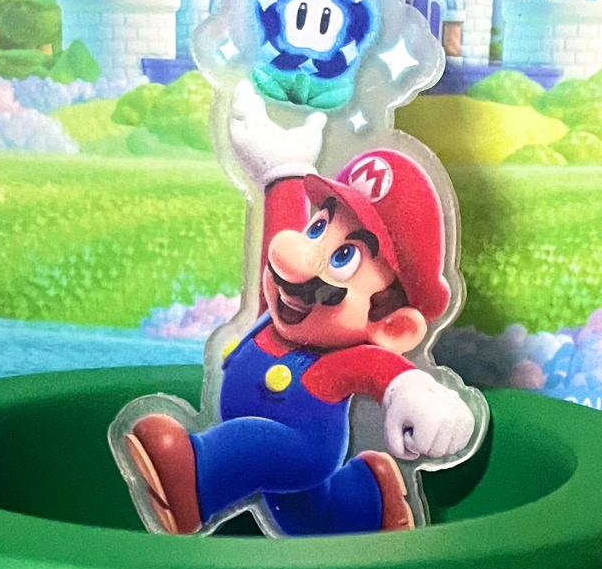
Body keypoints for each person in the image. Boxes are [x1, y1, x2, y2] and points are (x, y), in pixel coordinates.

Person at [123, 81, 477, 537]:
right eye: (318, 228)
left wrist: (419, 396)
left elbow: (382, 372)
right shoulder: (280, 307)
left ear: (390, 325)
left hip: (298, 448)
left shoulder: (336, 361)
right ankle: (371, 498)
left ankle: (196, 479)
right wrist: (283, 170)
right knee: (306, 516)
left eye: (344, 256)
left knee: (253, 441)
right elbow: (281, 237)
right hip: (294, 473)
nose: (299, 258)